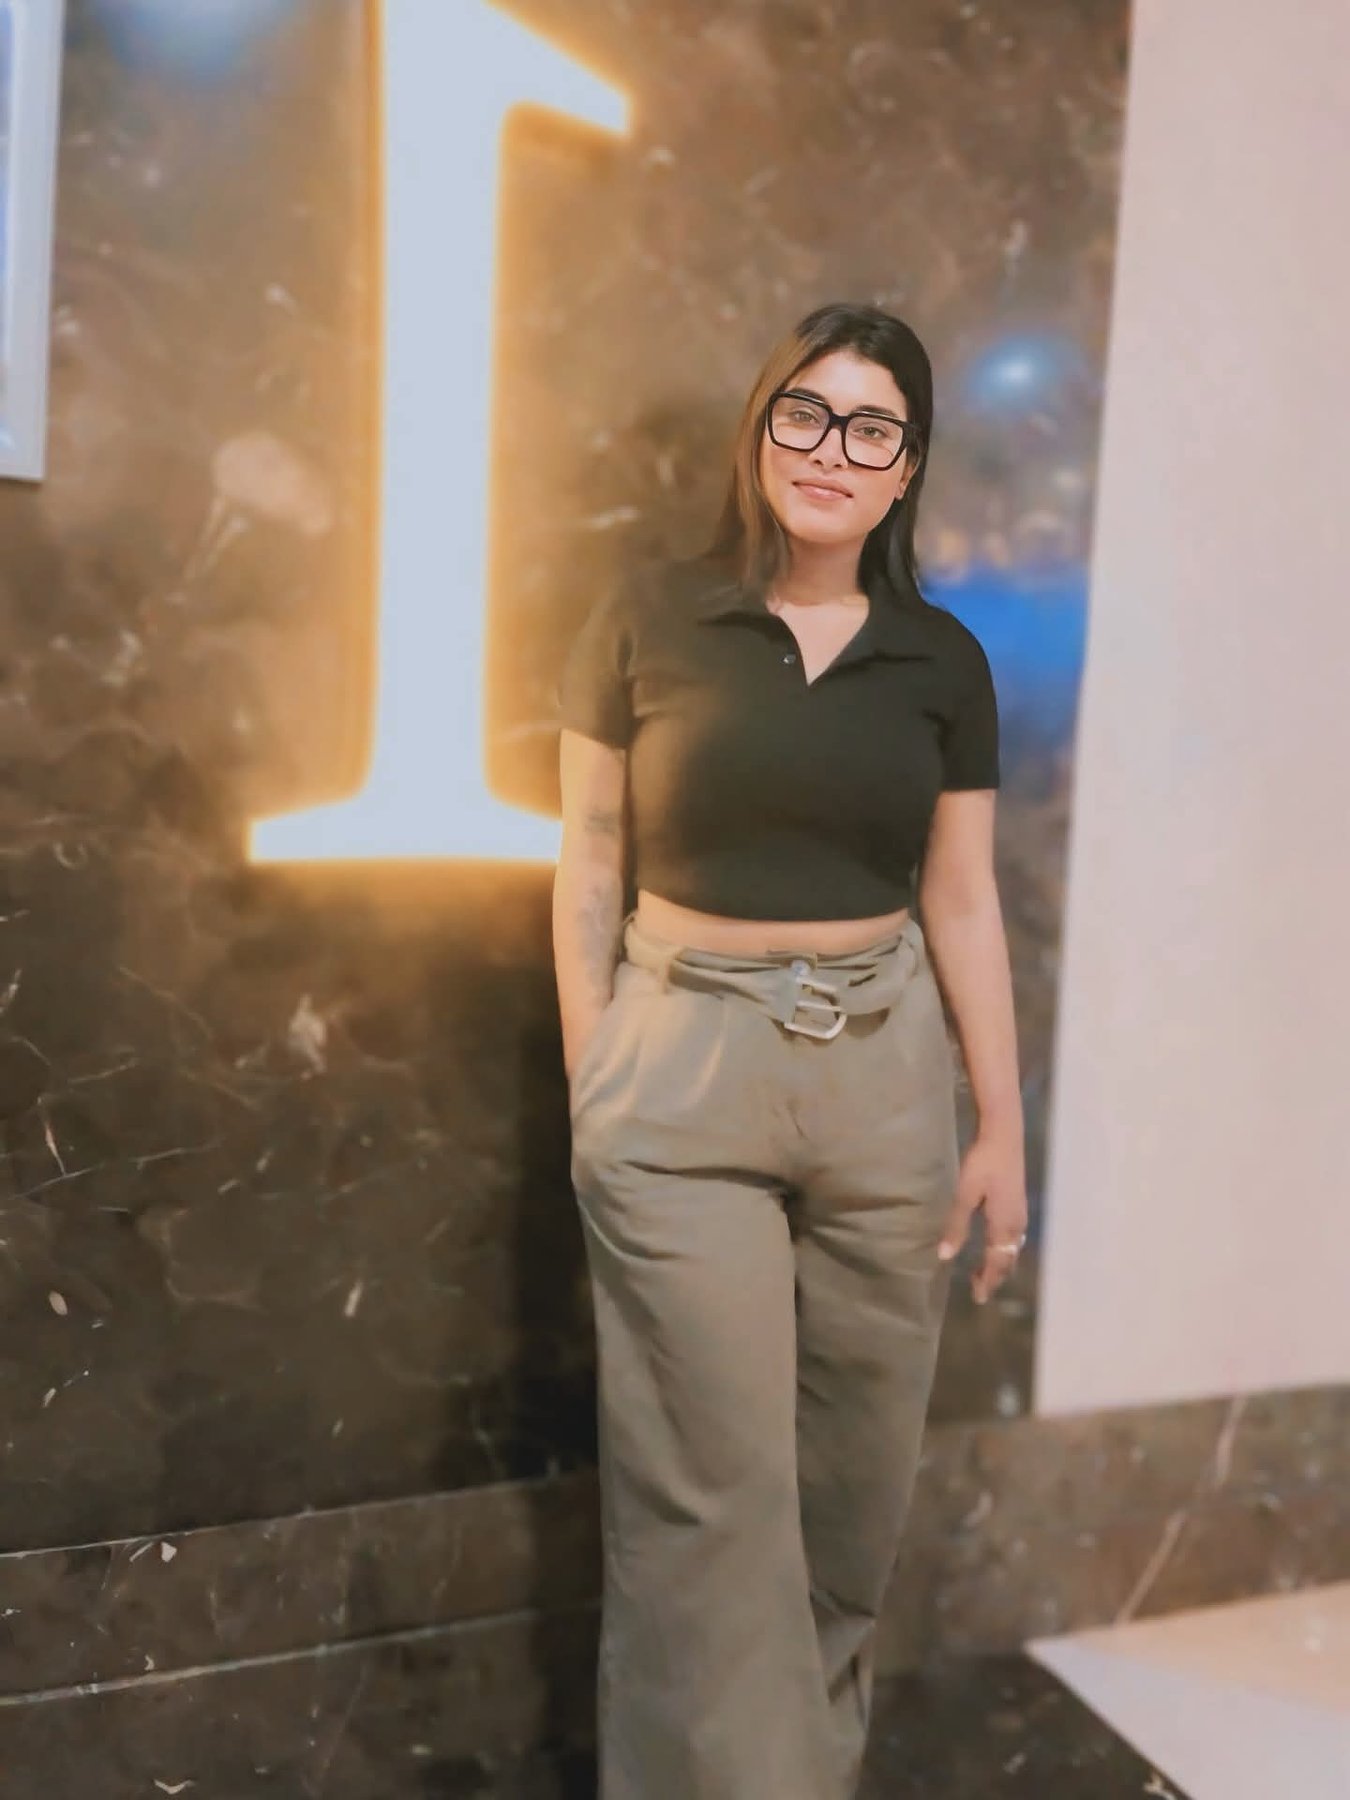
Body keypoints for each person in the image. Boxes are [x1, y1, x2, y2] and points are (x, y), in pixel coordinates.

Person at [551, 300, 1026, 1800]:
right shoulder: (647, 618)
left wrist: (1001, 1131)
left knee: (848, 1495)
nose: (833, 450)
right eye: (806, 414)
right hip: (682, 1068)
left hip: (884, 1079)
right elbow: (586, 862)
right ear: (760, 434)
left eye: (873, 429)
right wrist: (598, 1079)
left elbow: (962, 899)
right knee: (712, 1500)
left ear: (907, 469)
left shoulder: (943, 661)